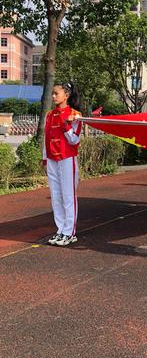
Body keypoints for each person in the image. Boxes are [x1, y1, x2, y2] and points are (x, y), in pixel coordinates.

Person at [43, 83, 82, 246]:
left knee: (68, 195)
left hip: (67, 158)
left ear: (66, 95)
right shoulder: (49, 115)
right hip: (52, 159)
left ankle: (69, 232)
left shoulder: (75, 114)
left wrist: (66, 124)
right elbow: (46, 138)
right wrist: (45, 159)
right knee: (56, 197)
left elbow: (75, 140)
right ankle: (60, 229)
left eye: (56, 93)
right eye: (52, 94)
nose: (53, 97)